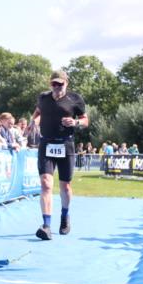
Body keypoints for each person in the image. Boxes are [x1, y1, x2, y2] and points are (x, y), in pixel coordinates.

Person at [30, 69, 87, 240]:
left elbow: (85, 120)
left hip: (65, 144)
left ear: (66, 83)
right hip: (46, 143)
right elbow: (38, 112)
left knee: (65, 186)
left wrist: (75, 122)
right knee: (46, 184)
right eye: (53, 84)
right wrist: (34, 122)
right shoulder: (43, 98)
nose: (56, 87)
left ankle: (64, 216)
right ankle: (46, 226)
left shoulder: (74, 99)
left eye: (59, 84)